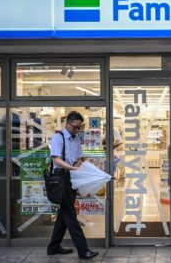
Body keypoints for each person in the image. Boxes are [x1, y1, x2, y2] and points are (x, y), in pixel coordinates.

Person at [47, 111, 99, 260]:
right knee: (70, 215)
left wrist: (78, 166)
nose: (77, 130)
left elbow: (78, 158)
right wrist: (72, 168)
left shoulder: (76, 139)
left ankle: (54, 246)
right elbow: (56, 159)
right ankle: (83, 250)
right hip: (60, 178)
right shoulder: (59, 137)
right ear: (67, 124)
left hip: (71, 178)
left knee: (64, 214)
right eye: (75, 127)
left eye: (79, 128)